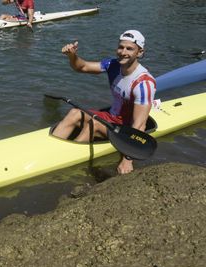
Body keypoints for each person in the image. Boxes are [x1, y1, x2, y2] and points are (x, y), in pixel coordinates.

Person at [52, 30, 156, 175]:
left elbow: (139, 125)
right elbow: (81, 67)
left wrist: (127, 159)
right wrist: (72, 56)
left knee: (94, 124)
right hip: (111, 117)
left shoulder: (144, 83)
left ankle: (65, 160)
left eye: (129, 49)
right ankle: (51, 149)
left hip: (125, 129)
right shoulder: (112, 65)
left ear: (140, 52)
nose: (123, 52)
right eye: (121, 47)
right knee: (74, 113)